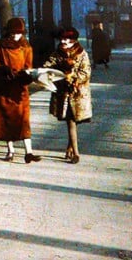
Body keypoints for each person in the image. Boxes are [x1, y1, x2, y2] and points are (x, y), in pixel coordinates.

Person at [0, 17, 41, 163]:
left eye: (19, 33)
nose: (16, 36)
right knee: (6, 120)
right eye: (13, 33)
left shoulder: (26, 47)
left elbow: (28, 66)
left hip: (19, 88)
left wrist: (27, 75)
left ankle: (28, 152)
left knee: (24, 119)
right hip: (3, 87)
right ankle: (10, 151)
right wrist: (2, 69)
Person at [43, 27, 92, 164]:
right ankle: (76, 152)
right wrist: (52, 74)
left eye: (67, 39)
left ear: (73, 40)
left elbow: (86, 72)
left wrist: (74, 79)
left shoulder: (82, 54)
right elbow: (48, 66)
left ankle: (70, 148)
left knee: (74, 122)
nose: (63, 41)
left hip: (78, 93)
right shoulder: (57, 54)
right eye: (62, 39)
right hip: (63, 93)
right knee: (70, 121)